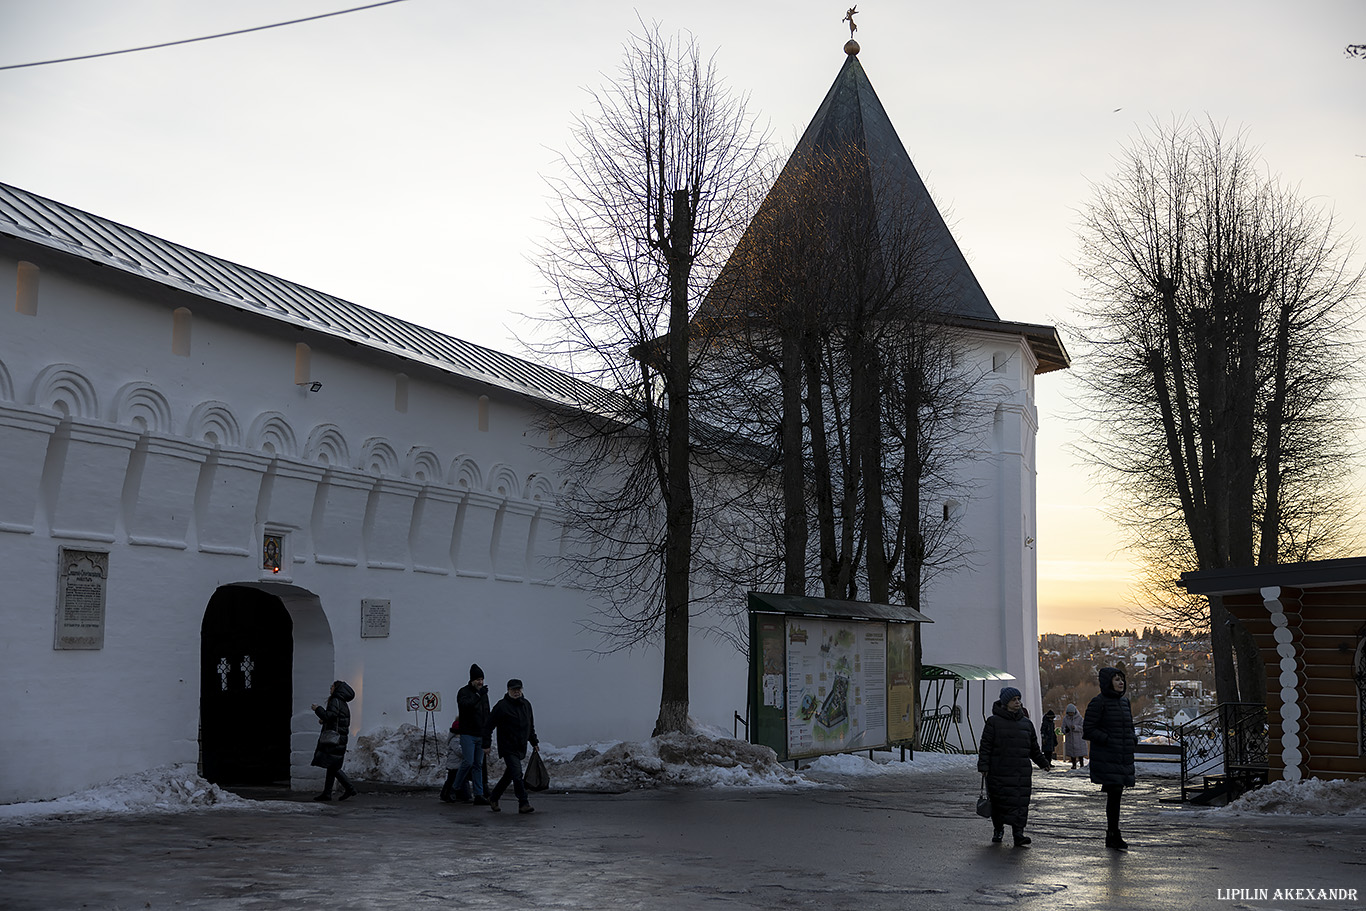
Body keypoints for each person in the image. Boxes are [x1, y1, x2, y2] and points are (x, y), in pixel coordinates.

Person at [977, 685, 1051, 847]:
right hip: (999, 771)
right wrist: (984, 766)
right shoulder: (993, 722)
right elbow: (986, 746)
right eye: (1013, 700)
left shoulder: (1026, 724)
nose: (1017, 702)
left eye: (1018, 699)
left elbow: (1033, 748)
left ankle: (1019, 834)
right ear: (1005, 703)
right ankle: (998, 830)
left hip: (1020, 772)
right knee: (998, 802)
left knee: (1020, 803)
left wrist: (1043, 762)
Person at [1083, 667, 1137, 851]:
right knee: (1114, 796)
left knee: (1117, 796)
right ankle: (1113, 833)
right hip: (1108, 757)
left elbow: (1129, 726)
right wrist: (1108, 739)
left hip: (1122, 757)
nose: (1120, 683)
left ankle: (1113, 834)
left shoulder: (1124, 703)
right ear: (1108, 683)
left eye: (1122, 679)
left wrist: (1132, 738)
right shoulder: (1098, 703)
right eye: (1116, 680)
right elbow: (1088, 729)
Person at [483, 678, 539, 814]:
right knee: (517, 773)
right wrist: (486, 744)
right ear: (508, 690)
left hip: (520, 746)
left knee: (510, 775)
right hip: (507, 746)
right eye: (513, 689)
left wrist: (534, 741)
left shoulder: (526, 705)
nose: (516, 692)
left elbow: (529, 725)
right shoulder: (501, 706)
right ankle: (523, 803)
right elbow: (488, 726)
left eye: (518, 689)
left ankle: (494, 797)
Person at [440, 664, 491, 805]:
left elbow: (487, 713)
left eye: (482, 679)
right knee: (468, 762)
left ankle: (479, 794)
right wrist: (477, 695)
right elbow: (465, 706)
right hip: (468, 733)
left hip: (480, 734)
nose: (480, 682)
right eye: (478, 679)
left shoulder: (483, 694)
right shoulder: (464, 692)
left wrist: (488, 734)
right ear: (472, 680)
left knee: (478, 765)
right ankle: (454, 788)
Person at [311, 680, 357, 801]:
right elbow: (335, 718)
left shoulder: (335, 701)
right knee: (331, 766)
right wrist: (324, 720)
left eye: (332, 686)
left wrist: (317, 709)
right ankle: (327, 794)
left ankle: (350, 788)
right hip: (339, 738)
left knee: (332, 766)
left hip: (334, 739)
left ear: (337, 689)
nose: (330, 688)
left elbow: (329, 716)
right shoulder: (342, 703)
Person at [1062, 703, 1086, 769]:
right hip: (1070, 738)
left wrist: (1075, 728)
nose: (1070, 714)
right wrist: (1065, 730)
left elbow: (1083, 727)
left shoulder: (1080, 718)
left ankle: (1082, 764)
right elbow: (1063, 728)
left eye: (1071, 713)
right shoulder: (1065, 719)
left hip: (1078, 738)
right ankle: (1074, 764)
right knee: (1072, 753)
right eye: (1069, 713)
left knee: (1080, 753)